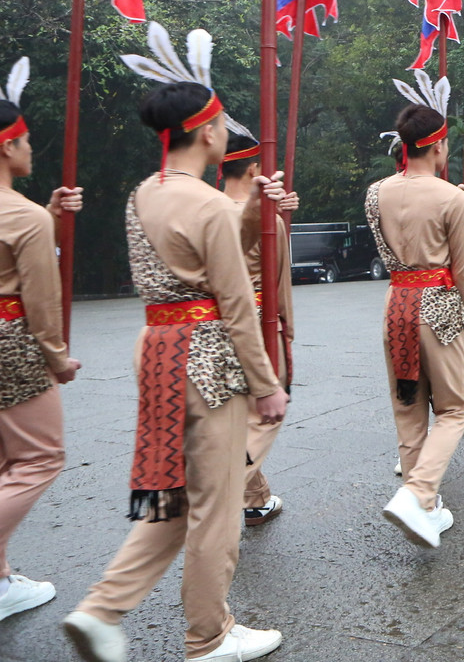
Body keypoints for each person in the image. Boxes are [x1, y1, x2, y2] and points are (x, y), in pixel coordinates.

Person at [66, 62, 290, 662]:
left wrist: (252, 213)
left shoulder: (146, 193)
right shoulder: (210, 204)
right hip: (210, 358)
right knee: (216, 507)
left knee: (176, 495)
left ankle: (103, 609)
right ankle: (207, 636)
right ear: (209, 133)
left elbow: (188, 255)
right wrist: (266, 384)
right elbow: (236, 303)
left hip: (159, 350)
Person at [370, 89, 464, 548]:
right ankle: (418, 494)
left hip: (397, 303)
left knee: (408, 408)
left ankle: (425, 505)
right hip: (438, 304)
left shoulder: (376, 192)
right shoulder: (450, 196)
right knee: (454, 409)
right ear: (437, 146)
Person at [0, 60, 83, 624]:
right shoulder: (24, 216)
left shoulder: (32, 216)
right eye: (26, 140)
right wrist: (56, 357)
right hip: (10, 342)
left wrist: (49, 218)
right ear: (8, 147)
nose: (32, 148)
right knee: (38, 457)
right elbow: (40, 300)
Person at [220, 134, 297, 528]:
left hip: (210, 324)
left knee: (239, 410)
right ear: (254, 169)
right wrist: (286, 327)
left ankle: (256, 499)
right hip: (256, 320)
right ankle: (226, 488)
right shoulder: (261, 221)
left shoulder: (207, 210)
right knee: (269, 410)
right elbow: (278, 278)